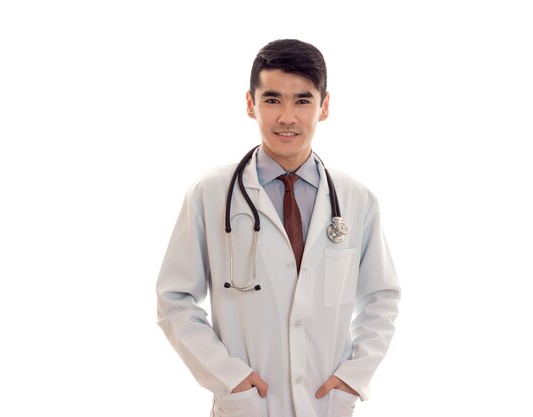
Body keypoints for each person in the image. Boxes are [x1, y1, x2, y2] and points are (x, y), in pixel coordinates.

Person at [156, 39, 400, 417]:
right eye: (272, 100)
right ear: (251, 104)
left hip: (325, 403)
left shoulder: (356, 199)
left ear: (325, 106)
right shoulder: (211, 194)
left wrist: (354, 375)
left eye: (302, 101)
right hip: (247, 405)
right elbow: (173, 299)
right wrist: (228, 376)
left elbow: (382, 297)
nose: (287, 117)